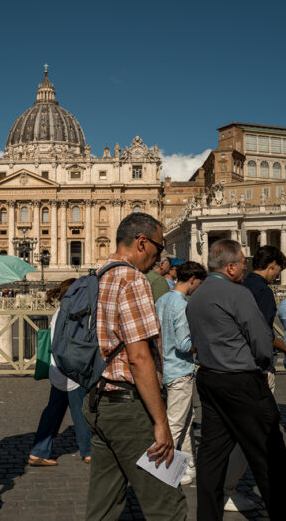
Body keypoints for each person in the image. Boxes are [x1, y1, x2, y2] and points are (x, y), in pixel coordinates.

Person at [186, 239, 286, 520]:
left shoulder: (196, 296)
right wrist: (263, 364)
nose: (244, 268)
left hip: (210, 379)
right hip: (242, 381)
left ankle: (208, 515)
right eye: (242, 263)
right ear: (230, 267)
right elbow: (262, 341)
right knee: (268, 454)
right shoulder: (237, 294)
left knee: (212, 458)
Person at [83, 212, 187, 521]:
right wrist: (161, 422)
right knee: (168, 507)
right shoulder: (132, 279)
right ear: (142, 242)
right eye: (159, 247)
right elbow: (139, 358)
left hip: (98, 403)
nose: (160, 258)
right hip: (129, 409)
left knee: (103, 506)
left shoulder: (96, 274)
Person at [28, 279, 92, 468]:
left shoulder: (58, 313)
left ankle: (38, 452)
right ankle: (88, 451)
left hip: (57, 368)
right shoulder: (73, 314)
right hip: (72, 369)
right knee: (80, 410)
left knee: (53, 411)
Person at [155, 260, 207, 485]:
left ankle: (188, 466)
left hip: (165, 367)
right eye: (200, 284)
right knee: (174, 425)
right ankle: (156, 473)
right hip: (180, 370)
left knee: (186, 420)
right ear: (193, 280)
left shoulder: (162, 299)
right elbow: (184, 344)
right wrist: (204, 341)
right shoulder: (181, 305)